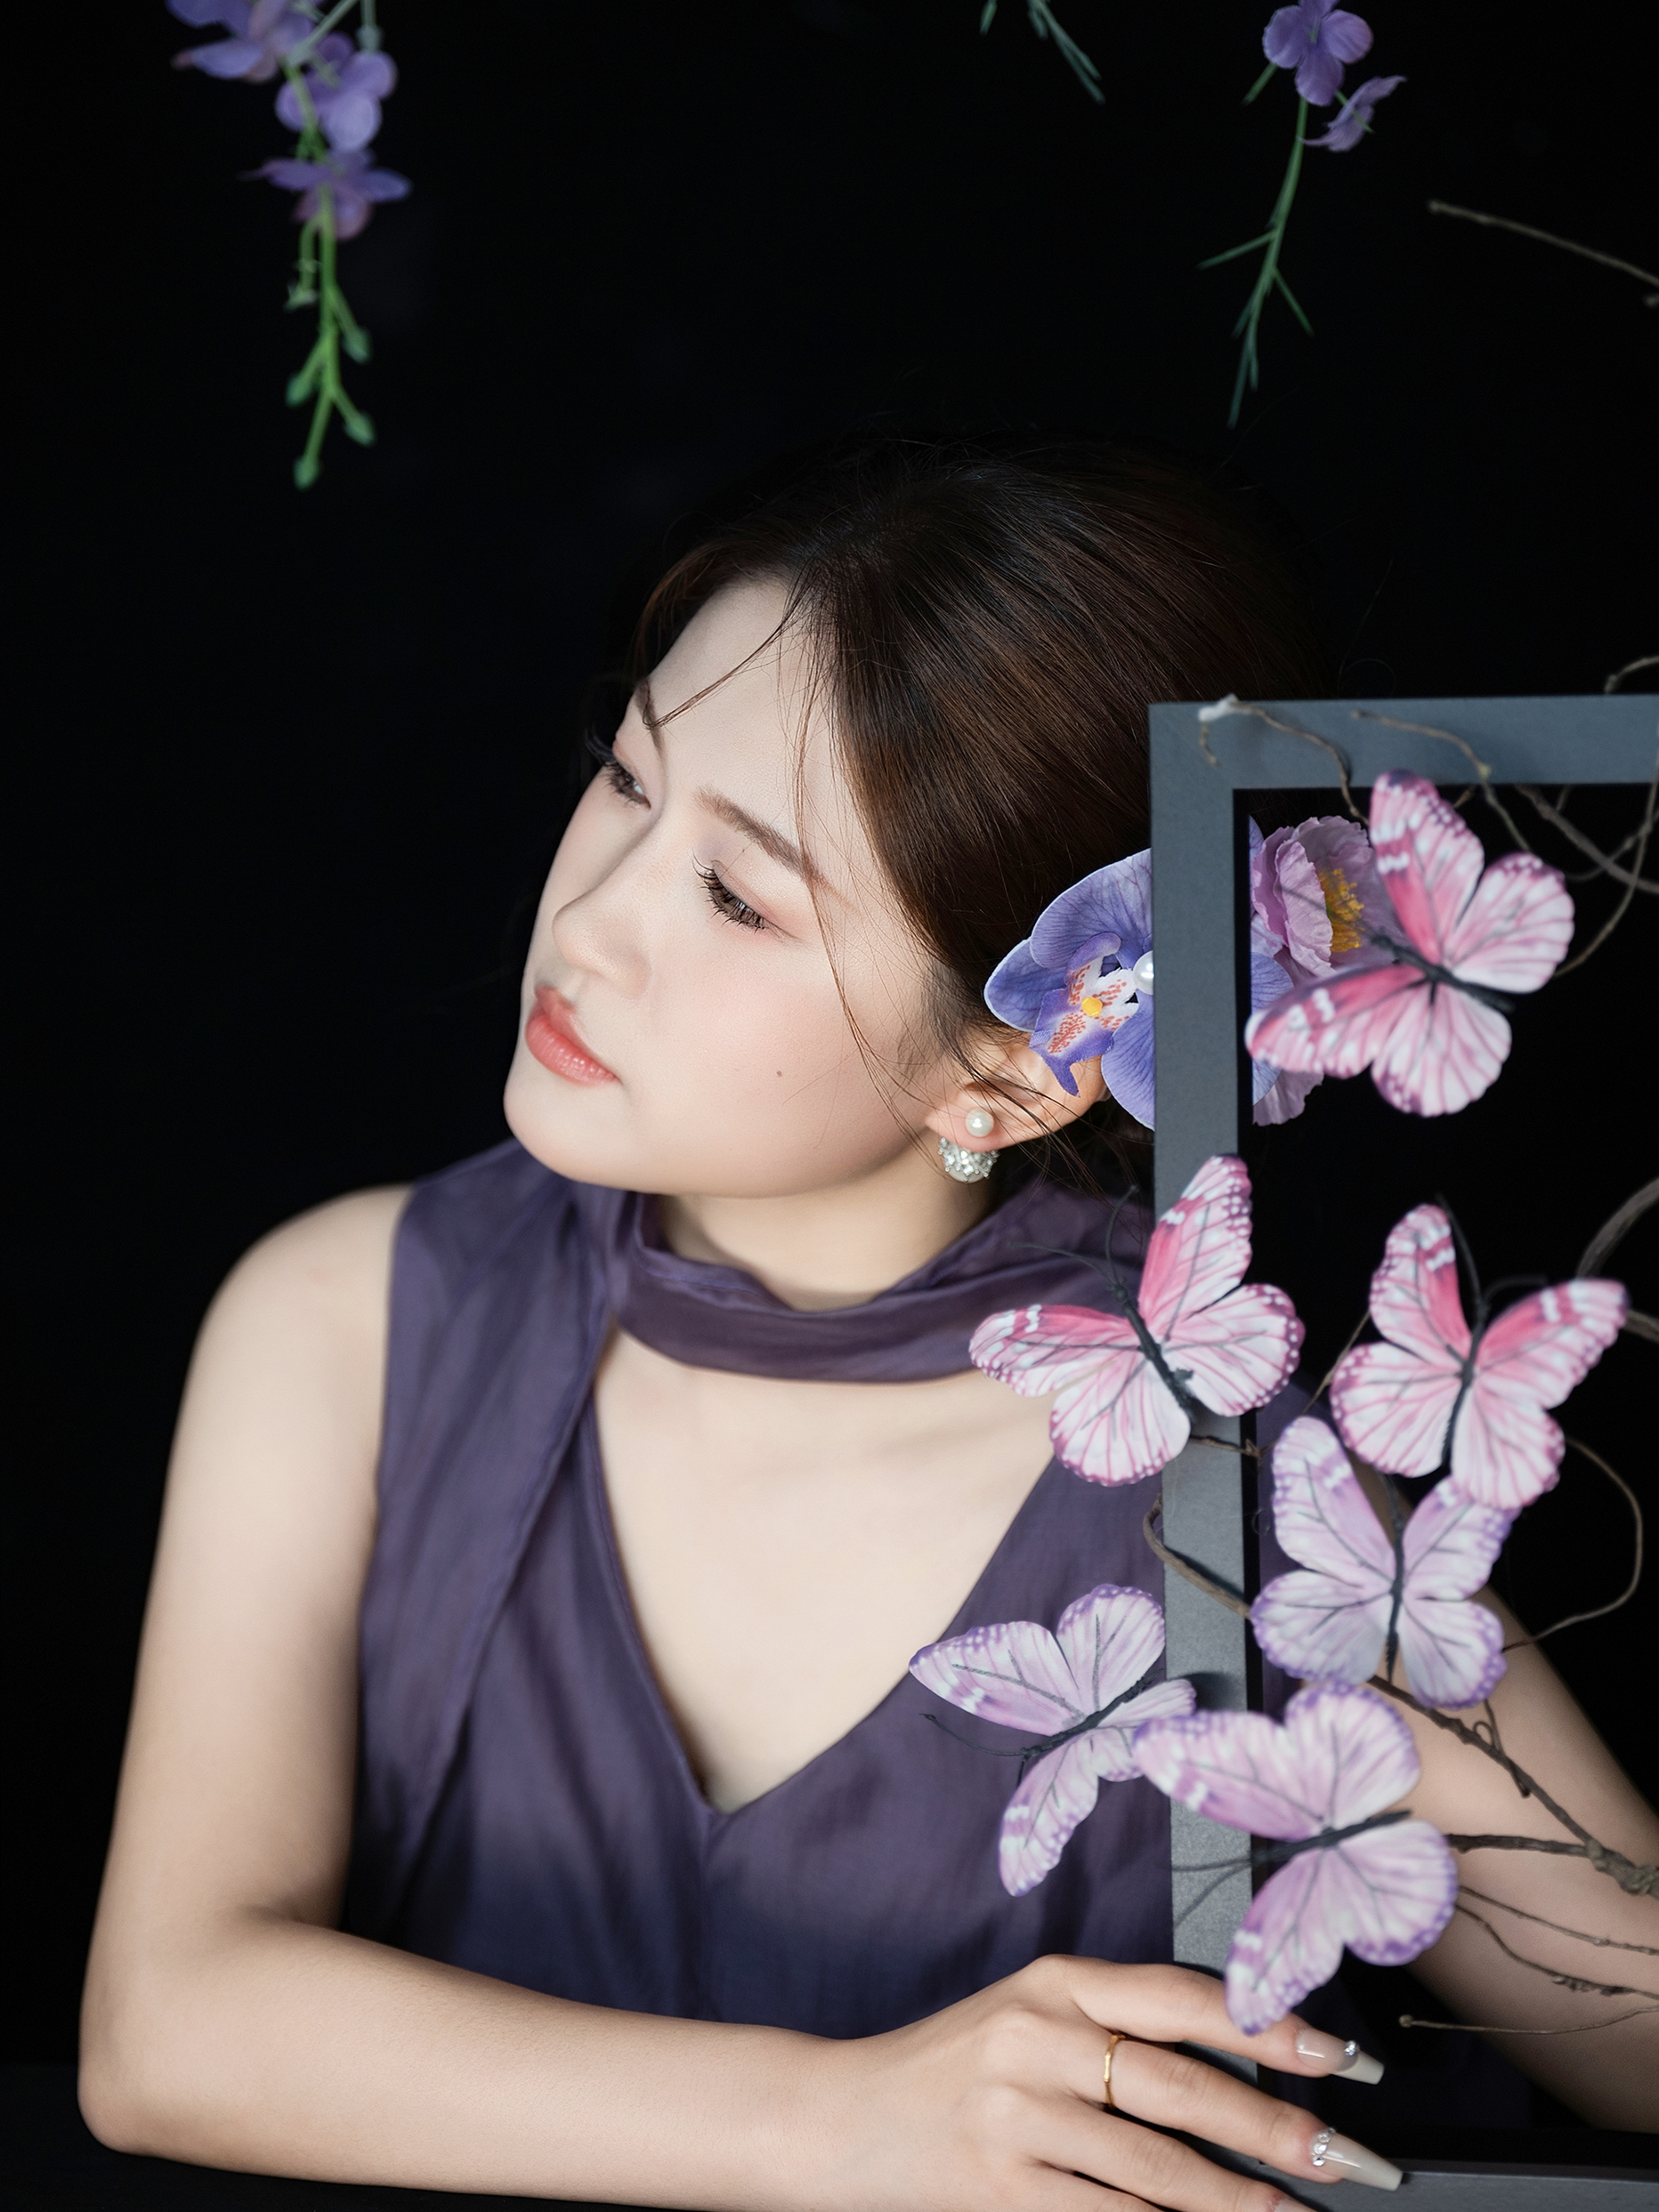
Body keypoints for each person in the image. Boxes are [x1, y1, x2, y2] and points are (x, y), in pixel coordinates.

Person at [80, 440, 1658, 2204]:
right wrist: (838, 2120)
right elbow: (164, 2030)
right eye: (623, 777)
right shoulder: (347, 1322)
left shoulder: (1229, 1481)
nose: (588, 923)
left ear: (1013, 1069)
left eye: (737, 895)